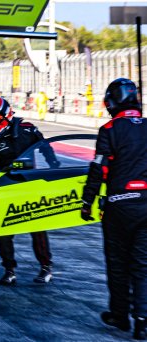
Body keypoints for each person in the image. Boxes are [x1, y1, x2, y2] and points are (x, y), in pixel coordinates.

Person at [81, 78, 147, 340]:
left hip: (119, 205)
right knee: (143, 265)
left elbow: (99, 168)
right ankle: (142, 321)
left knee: (118, 263)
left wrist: (87, 201)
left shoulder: (110, 128)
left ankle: (120, 315)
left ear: (112, 102)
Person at [0, 97, 60, 285]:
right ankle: (9, 270)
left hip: (31, 186)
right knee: (3, 230)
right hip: (7, 187)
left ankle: (46, 267)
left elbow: (46, 150)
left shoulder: (27, 129)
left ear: (3, 117)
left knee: (37, 228)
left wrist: (55, 169)